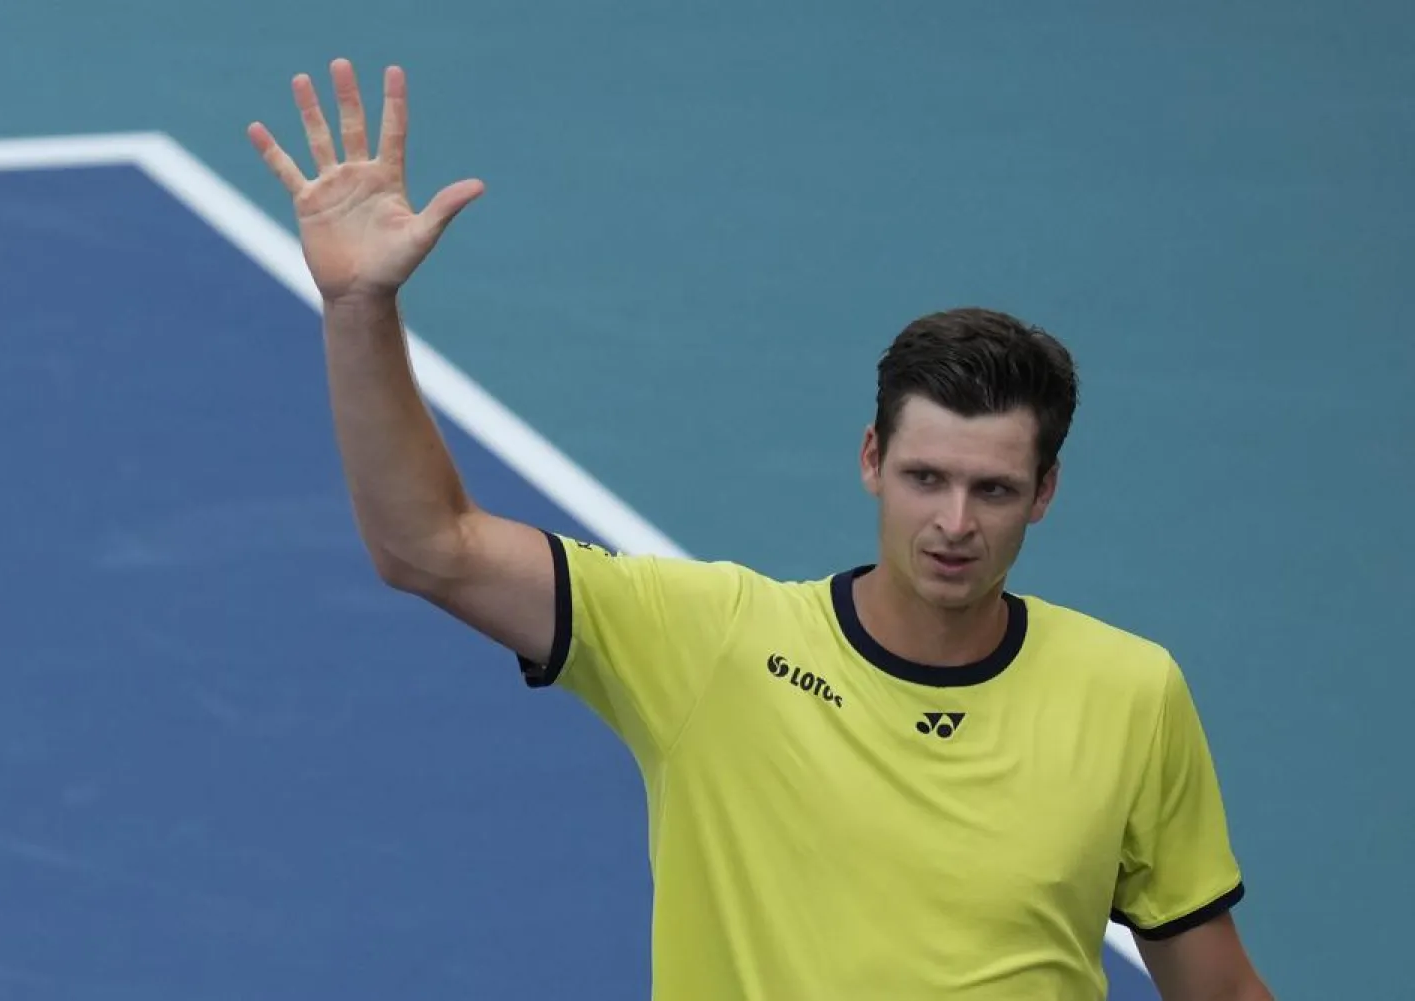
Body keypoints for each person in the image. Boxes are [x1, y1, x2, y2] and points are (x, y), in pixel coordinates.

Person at [247, 57, 1275, 1001]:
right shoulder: (713, 645)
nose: (954, 522)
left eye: (994, 489)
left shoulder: (1131, 692)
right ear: (870, 459)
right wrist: (359, 311)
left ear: (1045, 490)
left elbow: (1217, 987)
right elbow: (428, 543)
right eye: (924, 477)